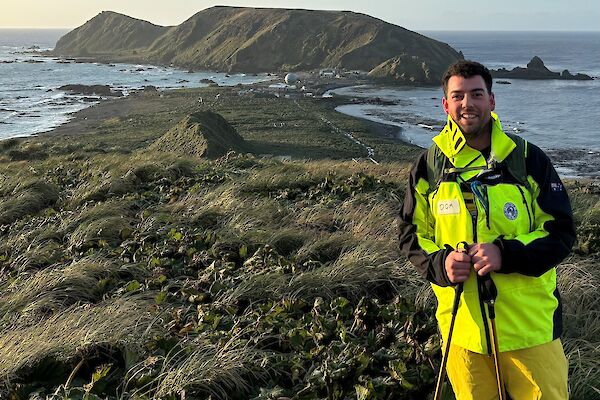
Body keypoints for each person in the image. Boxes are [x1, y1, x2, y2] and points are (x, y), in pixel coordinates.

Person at [398, 60, 575, 399]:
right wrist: (441, 264)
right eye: (458, 96)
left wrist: (504, 254)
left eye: (477, 94)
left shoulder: (527, 159)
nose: (468, 104)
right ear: (446, 105)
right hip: (462, 331)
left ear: (491, 101)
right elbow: (410, 233)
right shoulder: (429, 166)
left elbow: (561, 233)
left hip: (530, 330)